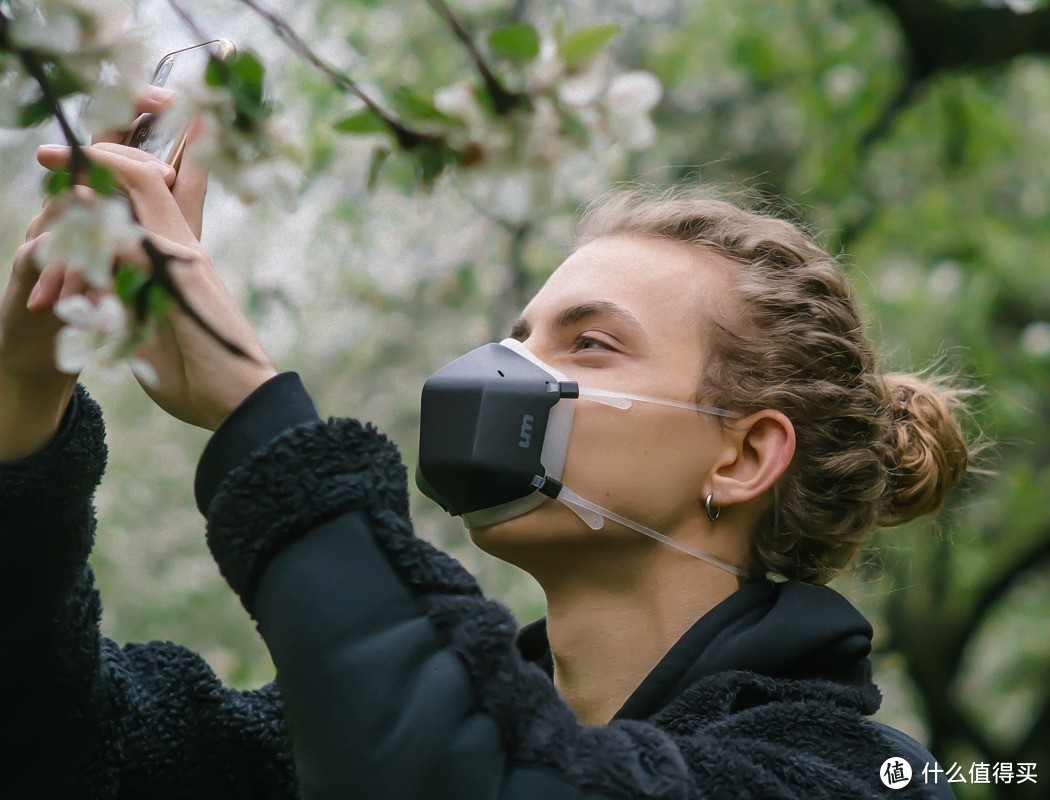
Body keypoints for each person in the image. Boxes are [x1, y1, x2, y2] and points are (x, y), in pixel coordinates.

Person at [0, 97, 969, 799]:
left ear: (743, 455)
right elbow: (69, 742)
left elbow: (475, 771)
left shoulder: (846, 773)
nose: (503, 368)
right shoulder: (329, 736)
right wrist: (24, 397)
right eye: (518, 336)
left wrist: (257, 413)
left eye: (590, 342)